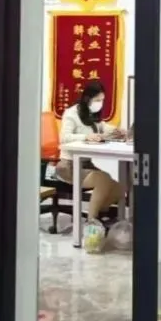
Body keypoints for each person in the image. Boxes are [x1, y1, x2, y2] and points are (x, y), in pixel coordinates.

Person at [56, 79, 126, 225]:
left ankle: (101, 212)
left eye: (102, 100)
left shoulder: (92, 113)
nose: (100, 103)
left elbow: (102, 126)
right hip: (70, 166)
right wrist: (86, 136)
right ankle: (91, 222)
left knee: (121, 182)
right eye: (97, 100)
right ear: (87, 98)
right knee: (105, 177)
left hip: (89, 164)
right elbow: (64, 138)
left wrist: (116, 131)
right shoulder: (71, 113)